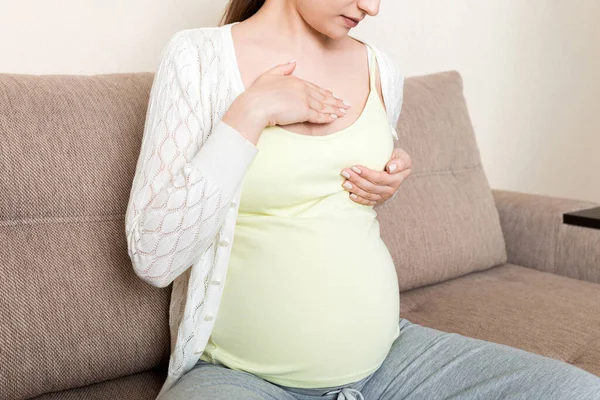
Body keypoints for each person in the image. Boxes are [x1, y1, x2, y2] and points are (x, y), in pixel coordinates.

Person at [125, 1, 600, 399]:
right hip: (239, 379)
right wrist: (252, 111)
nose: (372, 7)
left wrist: (384, 182)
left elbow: (325, 202)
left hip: (393, 361)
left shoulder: (380, 67)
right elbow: (154, 256)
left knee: (577, 392)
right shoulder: (197, 58)